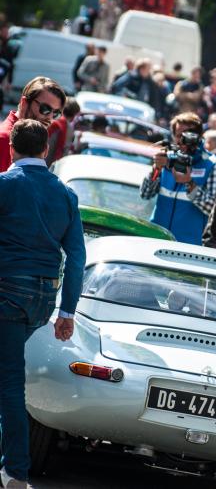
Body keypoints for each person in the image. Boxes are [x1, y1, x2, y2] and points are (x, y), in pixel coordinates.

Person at [0, 119, 86, 488]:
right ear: (46, 150)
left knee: (8, 383)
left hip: (7, 291)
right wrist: (67, 310)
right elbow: (78, 257)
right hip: (40, 300)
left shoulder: (4, 184)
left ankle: (16, 471)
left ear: (12, 148)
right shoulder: (65, 194)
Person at [140, 113, 216, 245]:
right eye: (179, 135)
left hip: (188, 246)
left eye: (188, 135)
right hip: (156, 239)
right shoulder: (167, 157)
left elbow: (212, 209)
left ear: (199, 137)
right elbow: (145, 194)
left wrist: (189, 183)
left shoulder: (213, 164)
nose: (182, 140)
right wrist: (156, 168)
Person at [0, 76, 65, 172]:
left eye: (56, 113)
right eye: (45, 109)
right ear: (24, 103)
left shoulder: (29, 137)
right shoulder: (5, 139)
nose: (50, 117)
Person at [45, 97, 81, 166]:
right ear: (74, 115)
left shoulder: (51, 120)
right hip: (51, 166)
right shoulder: (67, 127)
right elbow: (64, 152)